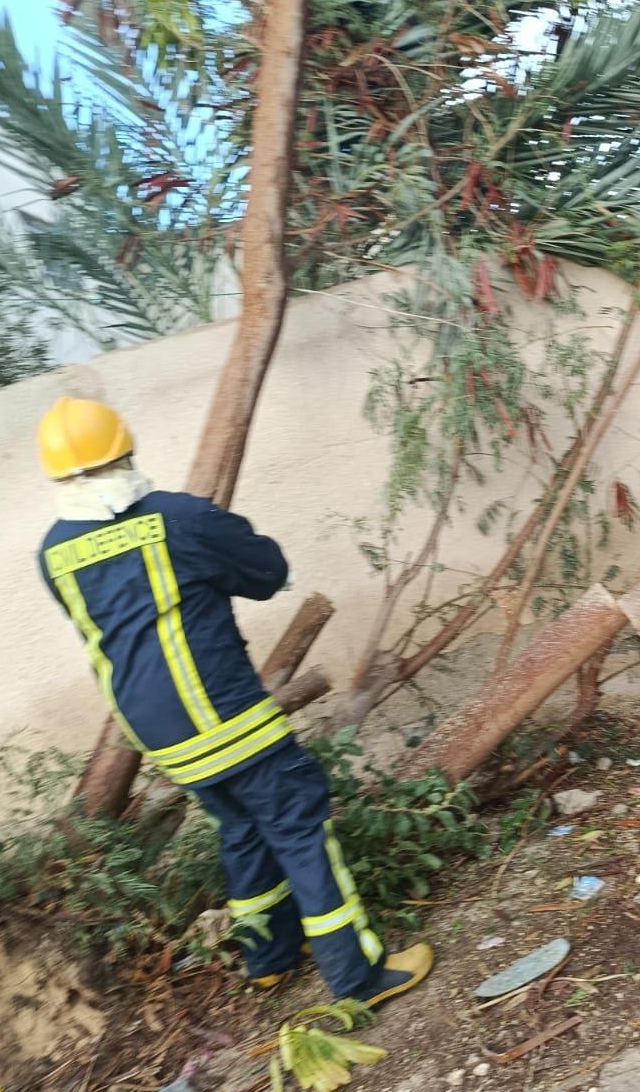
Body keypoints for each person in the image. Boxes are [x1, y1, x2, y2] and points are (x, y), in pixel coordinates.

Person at [35, 396, 432, 1005]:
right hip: (222, 714)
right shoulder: (178, 518)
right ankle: (357, 976)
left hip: (161, 736)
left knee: (241, 827)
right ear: (126, 453)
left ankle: (268, 960)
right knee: (299, 826)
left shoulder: (53, 553)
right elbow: (267, 571)